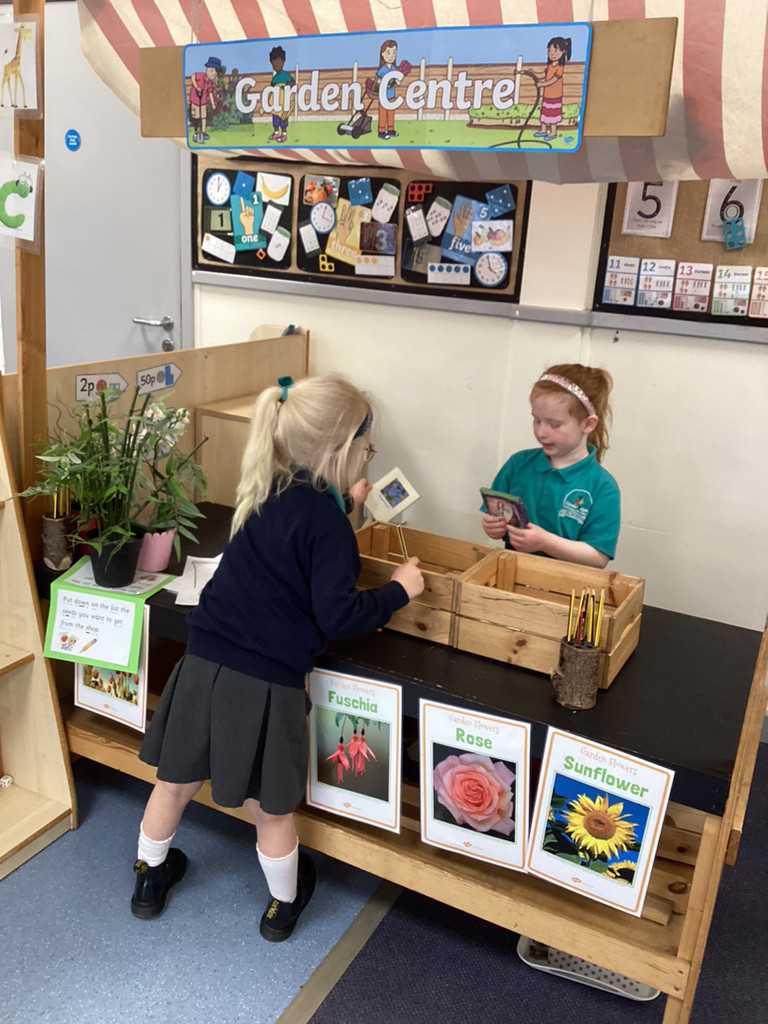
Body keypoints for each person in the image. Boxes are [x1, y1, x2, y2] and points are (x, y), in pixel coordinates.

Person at [130, 374, 425, 942]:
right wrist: (398, 591)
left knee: (173, 783)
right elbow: (339, 615)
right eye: (366, 448)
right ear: (340, 451)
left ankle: (148, 879)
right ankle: (282, 906)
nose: (368, 456)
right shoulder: (328, 525)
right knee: (270, 809)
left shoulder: (264, 491)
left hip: (202, 662)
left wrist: (348, 506)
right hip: (267, 683)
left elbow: (299, 539)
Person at [481, 364, 619, 569]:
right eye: (537, 420)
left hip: (566, 582)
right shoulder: (518, 464)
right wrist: (493, 527)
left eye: (554, 424)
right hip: (511, 572)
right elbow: (496, 517)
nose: (541, 432)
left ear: (588, 424)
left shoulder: (603, 486)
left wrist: (546, 543)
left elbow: (599, 558)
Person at [533, 36, 571, 142]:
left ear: (563, 52)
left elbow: (553, 80)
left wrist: (542, 84)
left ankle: (553, 131)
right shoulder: (550, 66)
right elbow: (543, 75)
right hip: (547, 95)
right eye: (550, 50)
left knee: (553, 114)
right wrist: (533, 73)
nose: (552, 53)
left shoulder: (559, 67)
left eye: (555, 50)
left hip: (555, 95)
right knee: (545, 112)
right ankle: (543, 129)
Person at [188, 55, 220, 143]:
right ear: (207, 69)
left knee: (203, 117)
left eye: (214, 73)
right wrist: (196, 86)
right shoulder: (200, 76)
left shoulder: (209, 83)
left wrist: (213, 104)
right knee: (196, 117)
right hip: (195, 100)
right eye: (211, 71)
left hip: (203, 102)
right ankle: (196, 133)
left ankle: (203, 132)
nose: (212, 74)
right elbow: (192, 76)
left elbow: (210, 93)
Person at [267, 45, 294, 143]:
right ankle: (275, 132)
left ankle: (284, 134)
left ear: (283, 61)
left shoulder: (285, 75)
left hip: (284, 103)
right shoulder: (274, 78)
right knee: (275, 118)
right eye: (273, 61)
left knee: (283, 119)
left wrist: (286, 88)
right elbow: (271, 88)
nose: (276, 63)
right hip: (276, 103)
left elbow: (293, 82)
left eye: (278, 60)